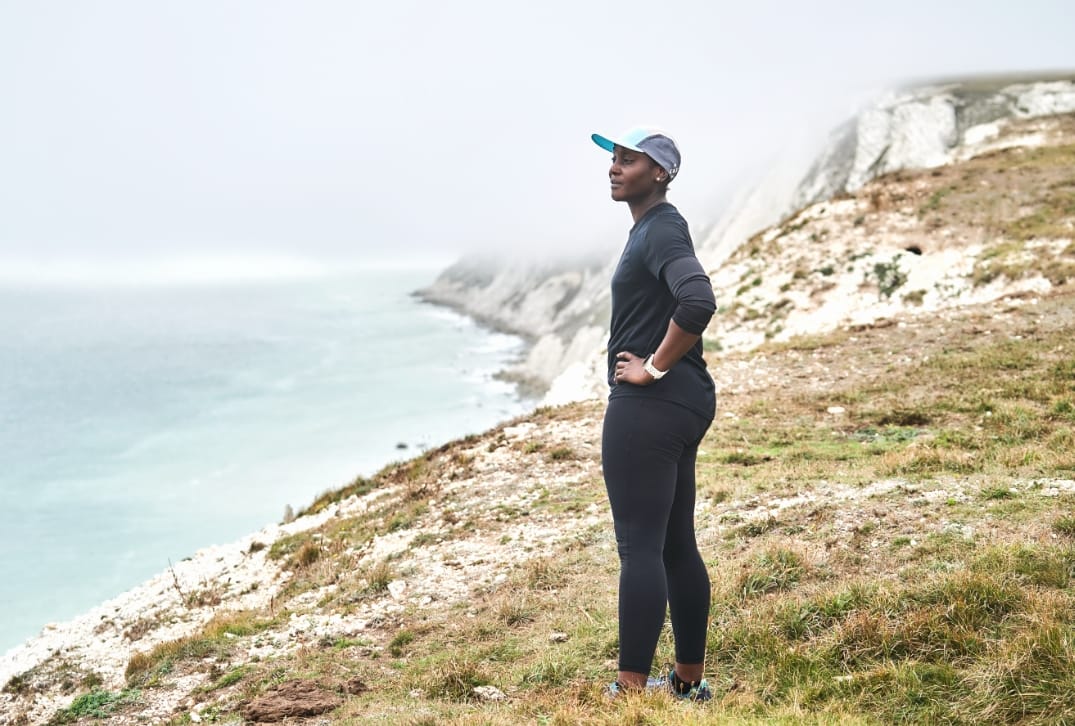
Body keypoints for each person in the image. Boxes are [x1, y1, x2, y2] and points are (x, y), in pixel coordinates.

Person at [591, 127, 717, 701]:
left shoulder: (660, 228)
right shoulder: (652, 228)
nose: (614, 167)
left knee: (639, 546)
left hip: (651, 406)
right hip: (685, 404)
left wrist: (652, 369)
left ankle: (630, 690)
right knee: (673, 544)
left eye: (628, 159)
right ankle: (687, 685)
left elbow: (698, 300)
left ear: (660, 172)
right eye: (613, 158)